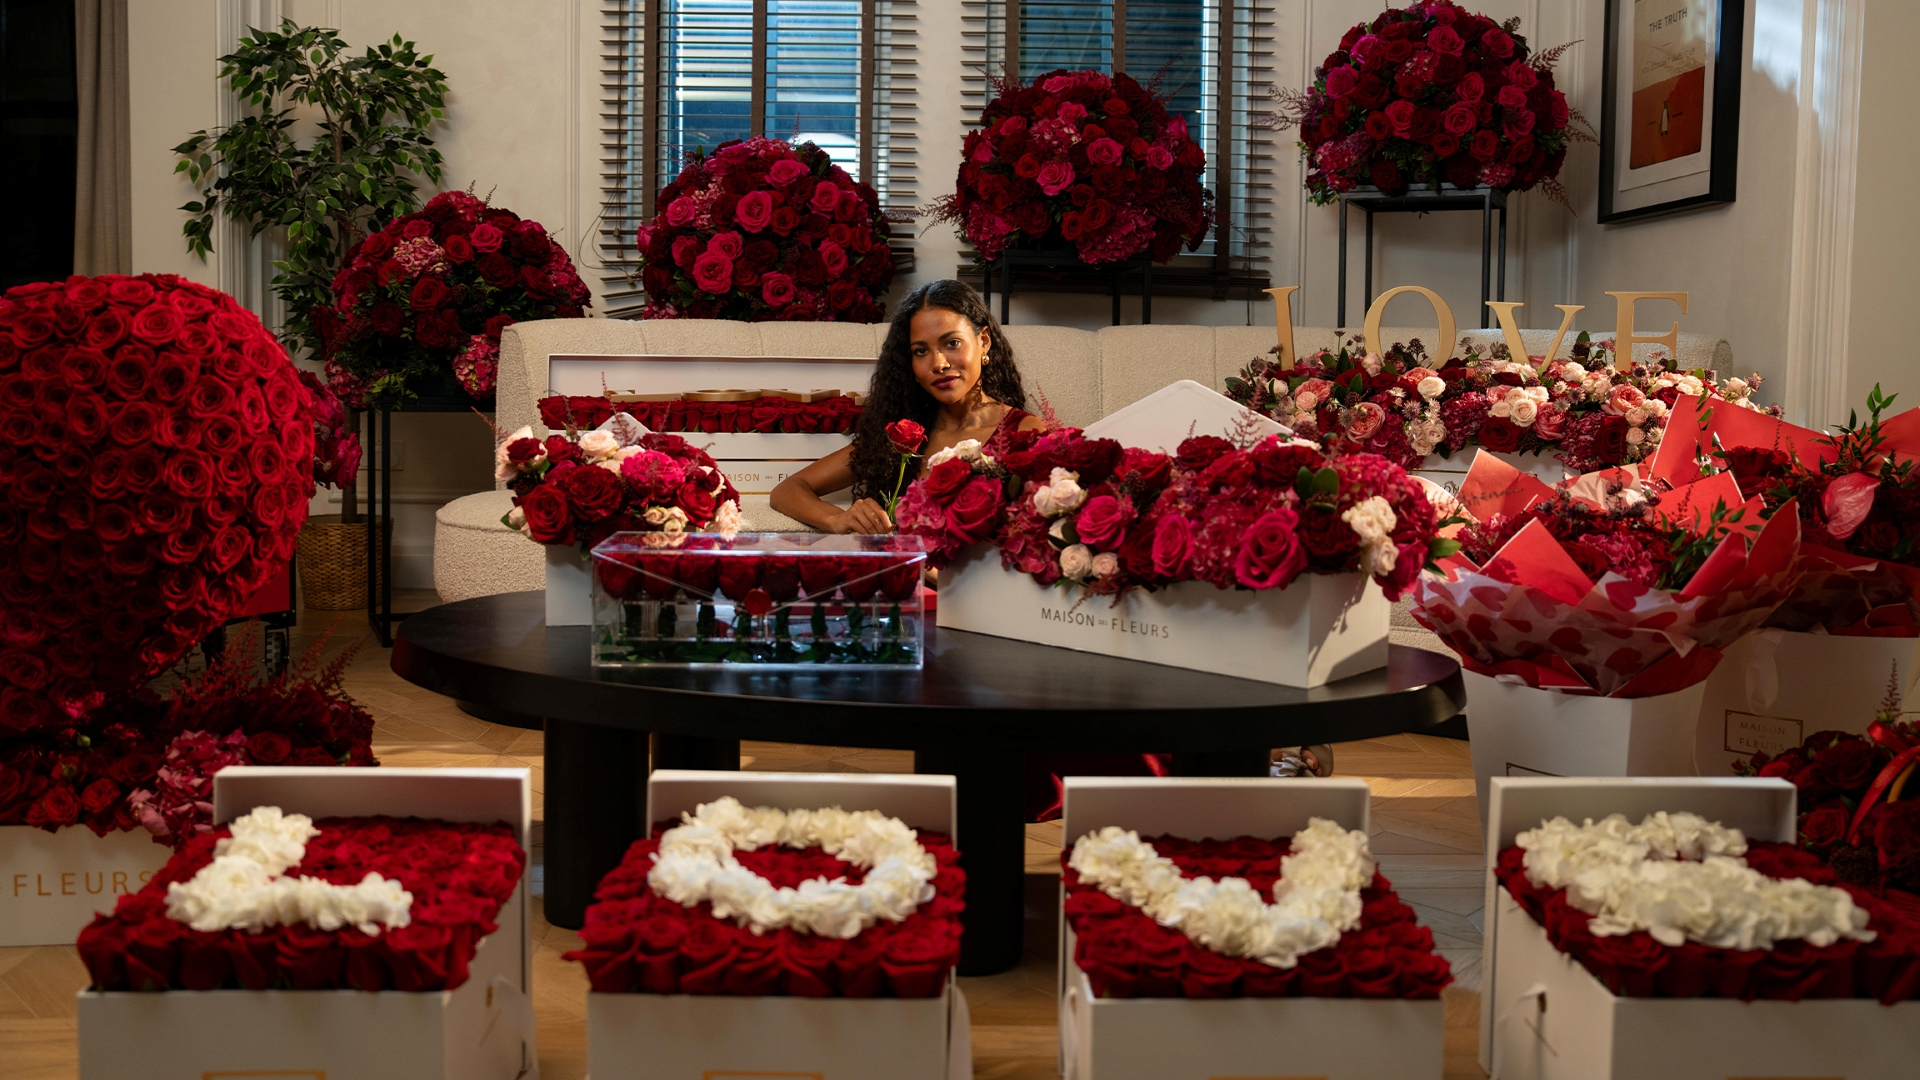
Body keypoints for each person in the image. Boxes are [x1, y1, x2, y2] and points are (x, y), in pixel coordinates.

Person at [771, 279, 1047, 533]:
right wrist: (837, 518)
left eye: (952, 343)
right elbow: (787, 490)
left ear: (984, 342)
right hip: (902, 569)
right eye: (921, 351)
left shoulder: (1023, 432)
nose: (939, 364)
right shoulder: (903, 437)